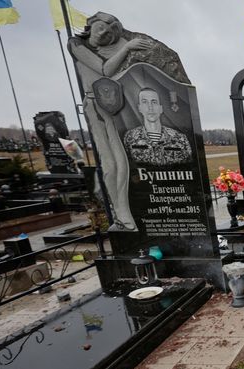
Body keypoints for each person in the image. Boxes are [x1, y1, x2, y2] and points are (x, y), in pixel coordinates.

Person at [69, 12, 153, 231]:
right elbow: (104, 69)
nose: (103, 33)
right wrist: (127, 48)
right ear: (91, 25)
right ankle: (120, 214)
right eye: (100, 27)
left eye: (109, 33)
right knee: (110, 164)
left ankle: (125, 212)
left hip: (116, 105)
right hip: (96, 106)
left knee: (123, 160)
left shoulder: (115, 46)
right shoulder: (76, 44)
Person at [123, 87, 192, 166]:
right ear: (140, 108)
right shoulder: (130, 137)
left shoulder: (180, 138)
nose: (150, 107)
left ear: (161, 108)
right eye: (145, 102)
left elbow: (190, 167)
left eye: (154, 102)